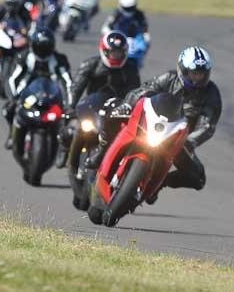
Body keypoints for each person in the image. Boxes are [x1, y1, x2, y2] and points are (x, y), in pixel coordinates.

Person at [84, 46, 222, 201]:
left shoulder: (211, 94)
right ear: (183, 70)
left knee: (198, 178)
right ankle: (101, 152)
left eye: (202, 74)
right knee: (111, 110)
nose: (198, 78)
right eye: (193, 73)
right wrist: (128, 105)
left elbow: (207, 125)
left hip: (178, 139)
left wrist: (190, 141)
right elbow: (143, 90)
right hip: (150, 124)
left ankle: (161, 182)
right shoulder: (169, 78)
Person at [56, 31, 141, 166]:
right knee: (69, 129)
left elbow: (135, 92)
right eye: (113, 52)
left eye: (119, 53)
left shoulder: (130, 68)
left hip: (116, 109)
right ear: (105, 51)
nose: (116, 56)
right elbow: (75, 87)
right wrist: (70, 106)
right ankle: (64, 148)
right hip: (90, 106)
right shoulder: (90, 64)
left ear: (125, 52)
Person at [3, 27, 72, 149]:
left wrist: (69, 104)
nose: (43, 51)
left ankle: (63, 142)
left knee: (67, 115)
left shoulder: (59, 59)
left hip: (51, 94)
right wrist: (13, 97)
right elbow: (12, 79)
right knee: (9, 109)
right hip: (28, 93)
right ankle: (11, 135)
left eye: (46, 48)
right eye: (40, 47)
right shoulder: (24, 56)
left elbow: (68, 82)